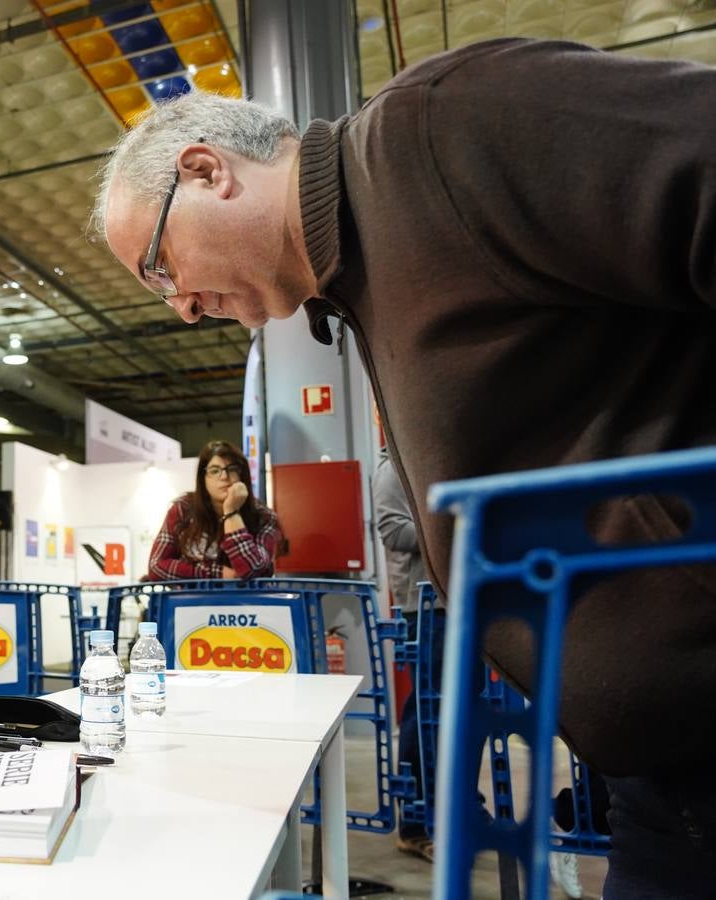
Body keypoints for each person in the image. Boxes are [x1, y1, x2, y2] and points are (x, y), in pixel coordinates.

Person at [93, 39, 715, 896]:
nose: (184, 306)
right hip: (667, 780)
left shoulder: (444, 127)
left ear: (206, 171)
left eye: (163, 268)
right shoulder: (357, 285)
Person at [375, 438, 440, 864]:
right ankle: (416, 826)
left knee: (453, 717)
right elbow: (392, 529)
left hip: (451, 602)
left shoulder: (427, 458)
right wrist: (450, 524)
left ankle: (455, 810)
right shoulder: (393, 467)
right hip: (425, 607)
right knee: (424, 714)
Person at [147, 440, 281, 581]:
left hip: (247, 601)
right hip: (194, 601)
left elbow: (252, 570)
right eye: (214, 471)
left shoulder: (263, 516)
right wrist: (217, 573)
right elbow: (156, 567)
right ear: (203, 478)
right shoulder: (183, 509)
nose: (224, 477)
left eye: (232, 469)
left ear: (242, 475)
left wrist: (231, 512)